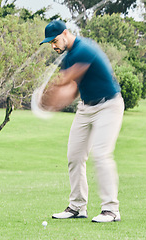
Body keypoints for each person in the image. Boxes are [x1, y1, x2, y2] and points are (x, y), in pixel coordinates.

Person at [39, 20, 124, 223]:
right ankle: (77, 207)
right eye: (50, 43)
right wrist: (53, 103)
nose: (53, 46)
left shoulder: (84, 49)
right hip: (86, 108)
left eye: (55, 40)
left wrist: (49, 97)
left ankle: (111, 210)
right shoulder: (67, 57)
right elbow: (73, 90)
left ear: (65, 33)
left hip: (108, 105)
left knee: (101, 154)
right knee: (74, 156)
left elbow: (68, 78)